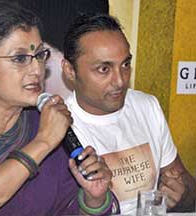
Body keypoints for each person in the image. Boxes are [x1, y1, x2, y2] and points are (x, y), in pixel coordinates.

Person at [0, 2, 120, 216]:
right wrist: (43, 141)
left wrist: (93, 199)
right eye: (20, 58)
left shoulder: (40, 124)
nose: (37, 69)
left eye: (40, 55)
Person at [62, 13, 196, 215]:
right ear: (70, 71)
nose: (120, 81)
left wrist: (183, 194)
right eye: (104, 69)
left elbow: (185, 186)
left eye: (125, 64)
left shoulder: (146, 106)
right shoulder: (60, 127)